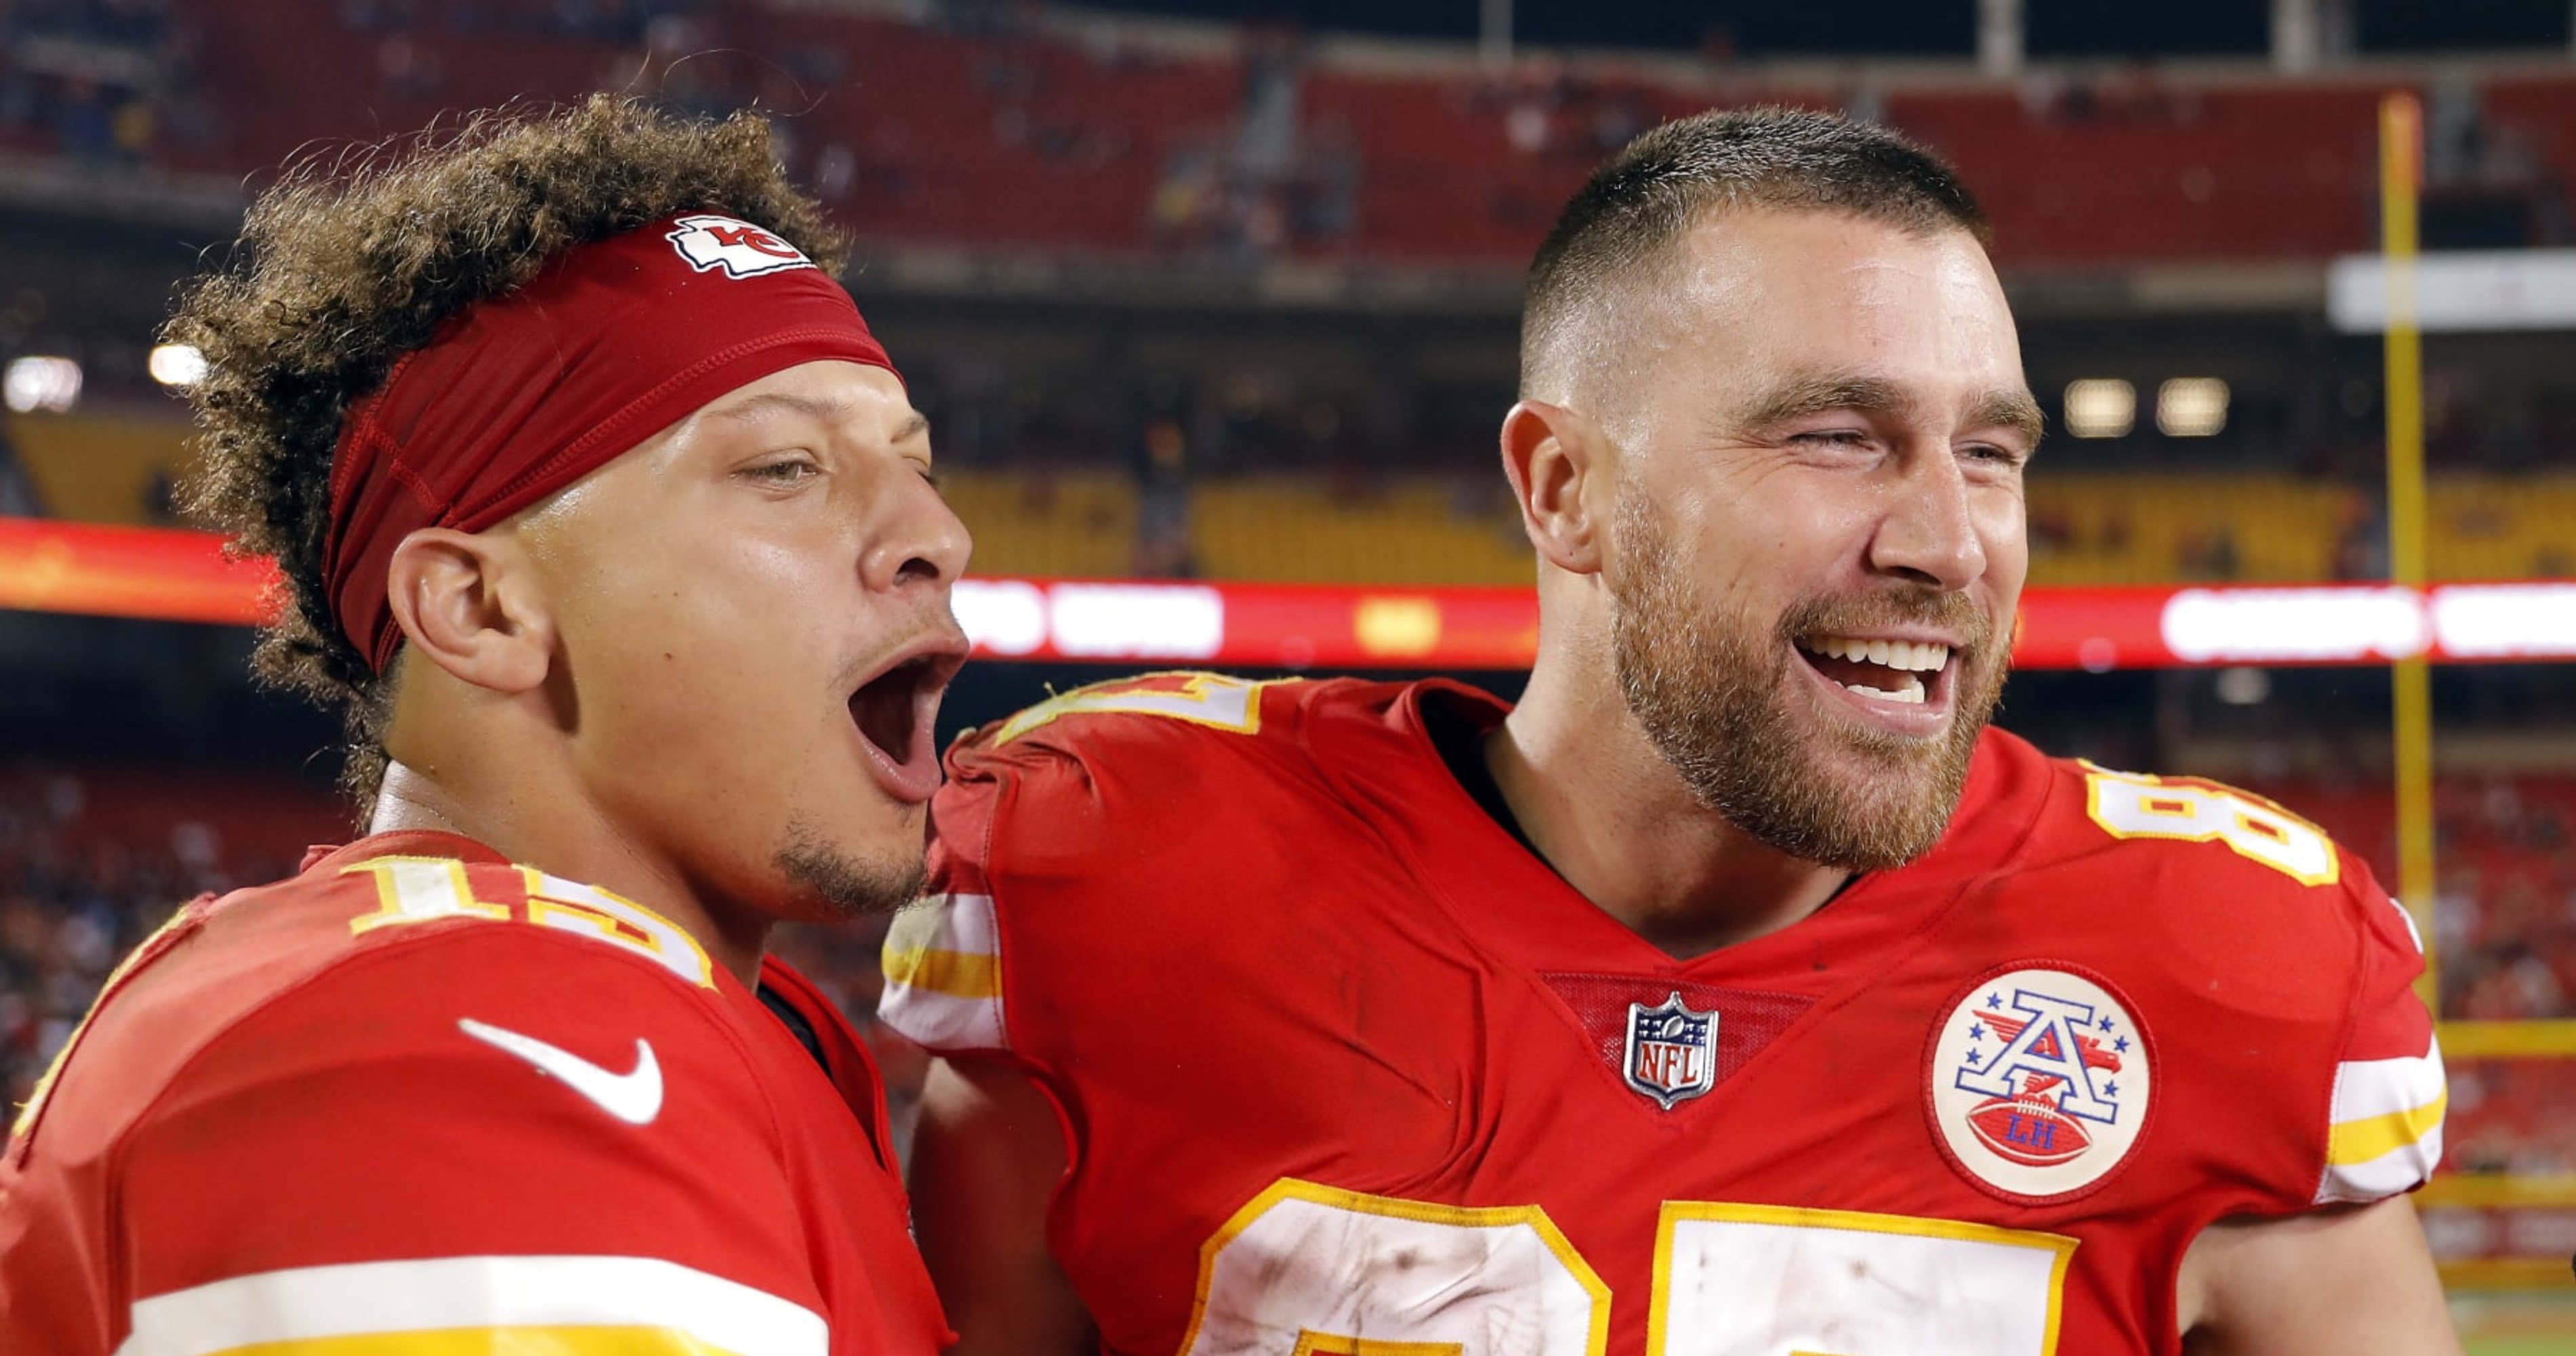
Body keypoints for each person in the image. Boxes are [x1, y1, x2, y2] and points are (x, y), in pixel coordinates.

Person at [881, 108, 2458, 1356]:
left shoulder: (2221, 964)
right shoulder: (1128, 879)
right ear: (1566, 488)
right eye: (1837, 438)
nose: (1949, 540)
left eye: (1988, 450)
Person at [0, 96, 967, 1355]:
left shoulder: (738, 1023)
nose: (937, 538)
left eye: (920, 468)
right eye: (784, 468)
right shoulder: (458, 1034)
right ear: (481, 609)